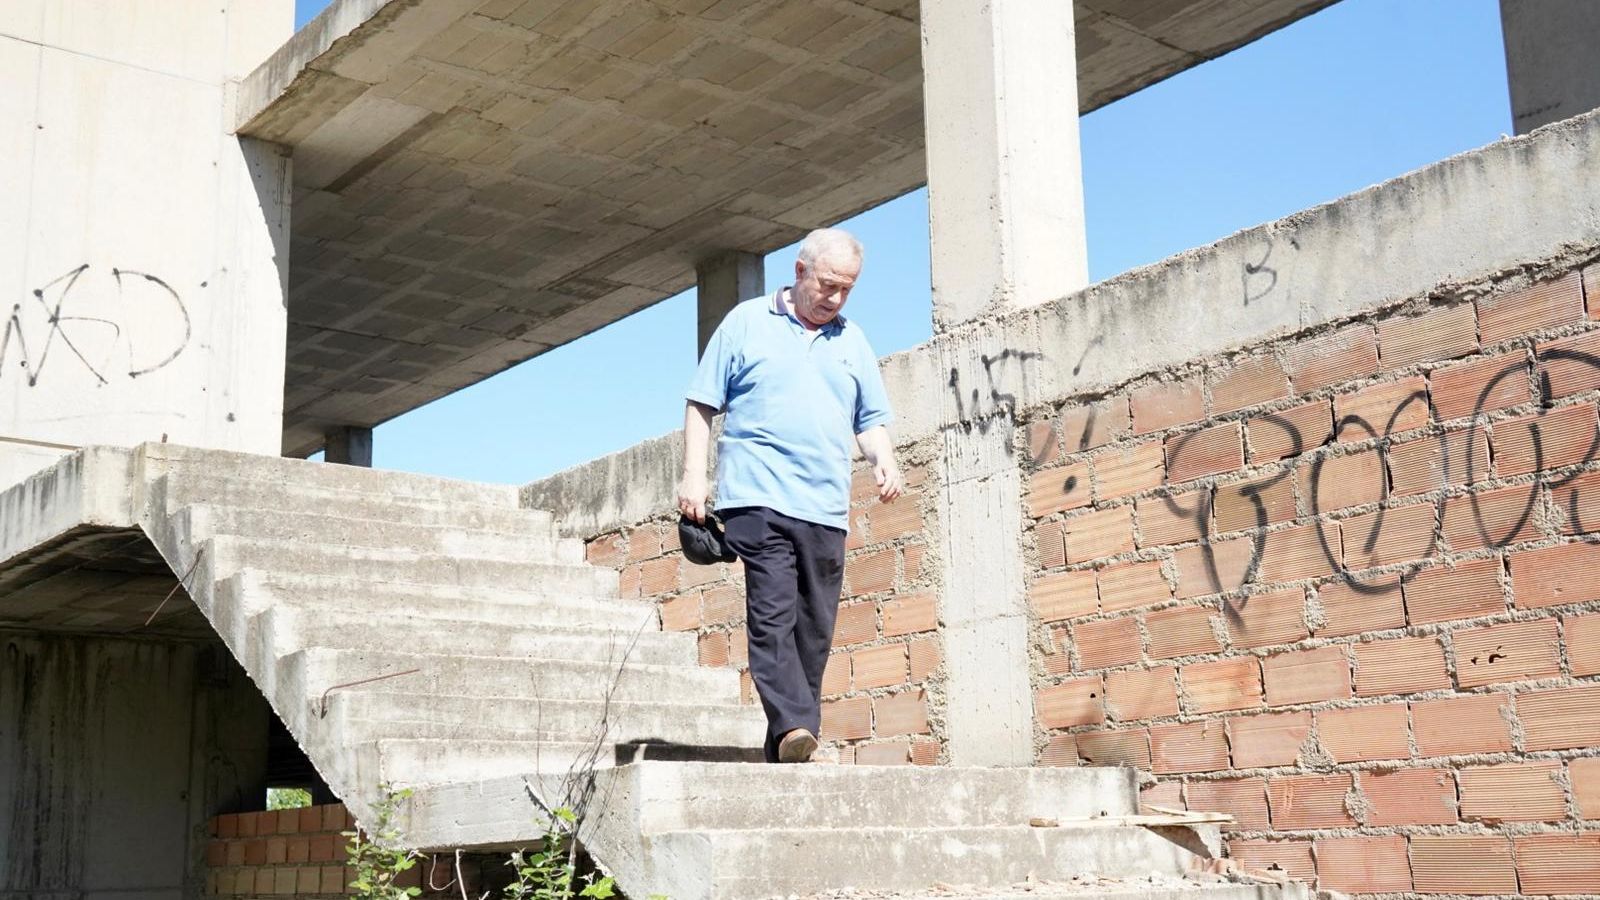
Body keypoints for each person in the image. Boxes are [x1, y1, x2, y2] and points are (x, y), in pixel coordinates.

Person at [678, 228, 902, 763]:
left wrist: (884, 459)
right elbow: (701, 403)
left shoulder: (853, 341)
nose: (836, 298)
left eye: (847, 289)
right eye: (828, 285)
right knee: (773, 615)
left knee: (813, 632)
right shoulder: (746, 323)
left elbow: (869, 419)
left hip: (825, 506)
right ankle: (798, 727)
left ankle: (787, 741)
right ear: (800, 272)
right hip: (757, 497)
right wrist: (694, 475)